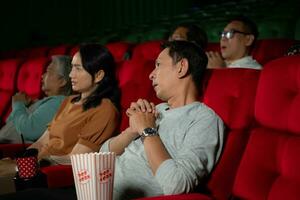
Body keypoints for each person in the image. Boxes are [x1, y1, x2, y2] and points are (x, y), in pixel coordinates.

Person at [0, 41, 224, 199]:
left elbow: (177, 184)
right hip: (91, 189)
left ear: (182, 67)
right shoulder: (157, 109)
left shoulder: (204, 120)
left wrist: (147, 131)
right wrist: (132, 131)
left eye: (158, 65)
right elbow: (105, 153)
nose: (151, 74)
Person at [29, 43, 120, 162]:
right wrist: (22, 159)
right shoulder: (69, 100)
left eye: (78, 68)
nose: (71, 75)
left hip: (52, 171)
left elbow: (75, 159)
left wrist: (34, 164)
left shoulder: (105, 109)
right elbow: (42, 141)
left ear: (98, 75)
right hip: (36, 164)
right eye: (72, 67)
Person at [0, 55, 72, 144]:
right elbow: (9, 123)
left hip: (10, 151)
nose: (42, 76)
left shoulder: (58, 102)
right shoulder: (44, 101)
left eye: (48, 71)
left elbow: (29, 131)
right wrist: (25, 106)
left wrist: (18, 104)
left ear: (62, 81)